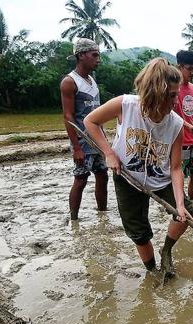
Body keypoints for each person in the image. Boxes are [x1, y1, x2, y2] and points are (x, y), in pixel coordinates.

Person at [83, 58, 193, 275]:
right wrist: (109, 153)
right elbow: (90, 122)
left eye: (176, 94)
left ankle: (167, 250)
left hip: (160, 179)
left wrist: (179, 204)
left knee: (187, 213)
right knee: (138, 232)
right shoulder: (126, 105)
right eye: (171, 95)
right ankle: (153, 271)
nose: (176, 101)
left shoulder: (176, 124)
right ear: (156, 92)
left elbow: (176, 168)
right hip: (126, 176)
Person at [60, 38, 108, 221]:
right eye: (94, 55)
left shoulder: (92, 81)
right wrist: (77, 148)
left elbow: (98, 114)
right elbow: (68, 117)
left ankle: (103, 215)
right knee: (81, 179)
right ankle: (74, 219)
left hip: (97, 140)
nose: (98, 59)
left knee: (103, 176)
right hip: (82, 141)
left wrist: (104, 141)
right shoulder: (69, 82)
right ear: (81, 56)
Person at [174, 50, 193, 201]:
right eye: (189, 68)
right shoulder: (172, 89)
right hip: (178, 141)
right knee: (177, 176)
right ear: (179, 67)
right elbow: (170, 115)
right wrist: (188, 127)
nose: (192, 72)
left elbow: (192, 114)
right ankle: (177, 205)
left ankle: (192, 204)